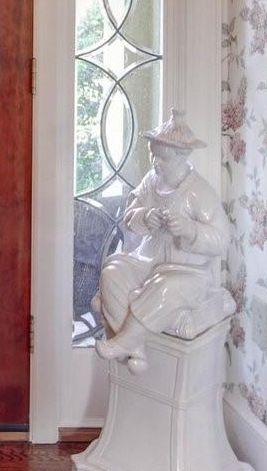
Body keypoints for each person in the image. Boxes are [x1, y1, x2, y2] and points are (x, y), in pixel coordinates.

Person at [95, 109, 230, 372]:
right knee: (112, 272)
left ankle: (124, 341)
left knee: (166, 287)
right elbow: (130, 215)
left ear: (182, 156)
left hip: (187, 272)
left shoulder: (199, 193)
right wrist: (146, 217)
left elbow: (221, 239)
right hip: (147, 263)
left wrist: (190, 230)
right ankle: (135, 347)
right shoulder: (151, 181)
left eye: (163, 158)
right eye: (152, 155)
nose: (156, 162)